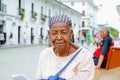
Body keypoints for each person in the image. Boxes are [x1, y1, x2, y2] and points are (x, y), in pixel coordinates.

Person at [36, 14, 95, 80]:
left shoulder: (84, 56)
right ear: (49, 34)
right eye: (54, 33)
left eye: (64, 32)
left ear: (71, 34)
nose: (59, 37)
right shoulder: (45, 54)